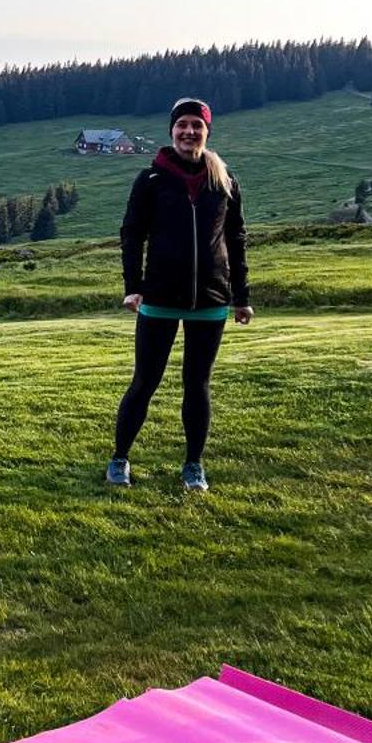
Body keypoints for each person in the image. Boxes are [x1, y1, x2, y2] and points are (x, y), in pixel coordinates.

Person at [108, 97, 252, 493]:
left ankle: (193, 465)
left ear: (207, 131)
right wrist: (133, 288)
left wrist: (241, 296)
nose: (189, 132)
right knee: (145, 381)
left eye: (197, 126)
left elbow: (236, 240)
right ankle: (120, 458)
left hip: (210, 299)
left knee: (197, 384)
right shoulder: (151, 179)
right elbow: (131, 235)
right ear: (172, 131)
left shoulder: (224, 181)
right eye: (182, 125)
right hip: (159, 298)